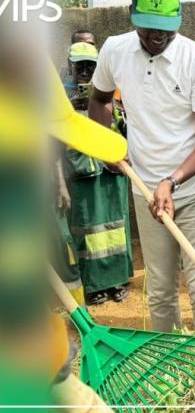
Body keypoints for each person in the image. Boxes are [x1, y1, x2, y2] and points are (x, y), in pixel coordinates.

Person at [89, 0, 195, 332]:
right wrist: (107, 145)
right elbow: (99, 100)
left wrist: (172, 181)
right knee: (161, 292)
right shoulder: (114, 51)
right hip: (145, 190)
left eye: (167, 29)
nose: (158, 36)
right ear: (133, 17)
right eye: (150, 28)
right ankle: (171, 369)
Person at [62, 42, 133, 306]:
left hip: (110, 169)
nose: (84, 71)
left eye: (90, 66)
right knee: (87, 230)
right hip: (80, 172)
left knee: (116, 227)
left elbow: (126, 127)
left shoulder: (113, 93)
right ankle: (93, 286)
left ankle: (116, 281)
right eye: (79, 65)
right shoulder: (59, 97)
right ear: (69, 65)